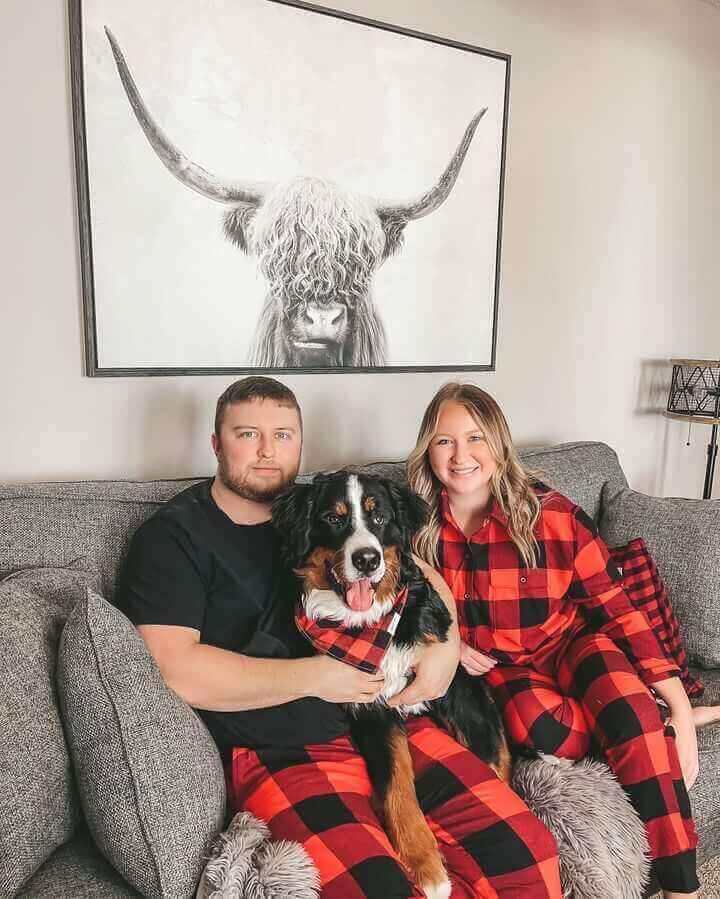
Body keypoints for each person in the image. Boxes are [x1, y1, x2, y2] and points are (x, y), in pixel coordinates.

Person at [117, 376, 562, 899]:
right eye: (247, 434)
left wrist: (444, 648)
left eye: (283, 435)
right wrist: (318, 677)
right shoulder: (175, 537)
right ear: (216, 444)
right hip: (283, 746)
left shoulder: (320, 514)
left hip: (387, 719)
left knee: (529, 856)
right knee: (377, 889)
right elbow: (174, 668)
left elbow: (413, 570)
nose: (266, 450)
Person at [408, 381, 720, 899]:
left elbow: (617, 608)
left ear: (499, 444)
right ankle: (644, 723)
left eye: (476, 438)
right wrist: (450, 643)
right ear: (427, 449)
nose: (462, 455)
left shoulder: (550, 513)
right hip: (504, 669)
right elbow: (400, 609)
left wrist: (681, 709)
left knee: (628, 711)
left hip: (574, 643)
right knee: (541, 726)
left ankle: (682, 887)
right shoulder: (416, 527)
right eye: (445, 441)